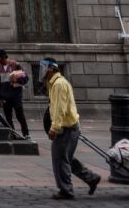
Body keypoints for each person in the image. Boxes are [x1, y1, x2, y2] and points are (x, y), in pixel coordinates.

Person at [43, 57, 100, 199]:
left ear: (51, 68)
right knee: (65, 157)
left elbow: (59, 108)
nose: (41, 71)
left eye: (44, 67)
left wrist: (54, 128)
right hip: (69, 127)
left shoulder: (58, 85)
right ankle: (91, 178)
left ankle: (66, 190)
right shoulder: (55, 83)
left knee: (60, 159)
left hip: (66, 128)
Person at [0, 49, 30, 139]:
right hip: (5, 97)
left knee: (20, 115)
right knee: (8, 117)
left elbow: (26, 78)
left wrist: (17, 80)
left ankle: (26, 134)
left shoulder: (15, 65)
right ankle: (12, 133)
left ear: (2, 57)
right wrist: (0, 98)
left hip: (16, 95)